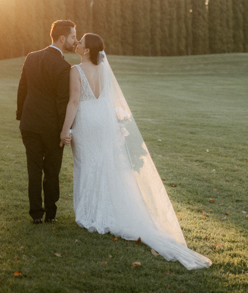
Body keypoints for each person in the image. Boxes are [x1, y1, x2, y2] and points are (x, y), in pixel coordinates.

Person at [60, 33, 211, 270]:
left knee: (87, 164)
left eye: (80, 43)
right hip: (105, 121)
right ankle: (104, 208)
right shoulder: (105, 70)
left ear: (87, 51)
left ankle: (89, 213)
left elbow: (74, 102)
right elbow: (109, 100)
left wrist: (65, 130)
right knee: (105, 163)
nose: (77, 44)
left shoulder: (76, 70)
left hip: (87, 122)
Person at [17, 19, 77, 224]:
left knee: (33, 170)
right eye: (72, 37)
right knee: (52, 171)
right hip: (52, 128)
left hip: (29, 124)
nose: (75, 42)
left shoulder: (31, 57)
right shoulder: (64, 66)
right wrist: (65, 130)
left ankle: (36, 214)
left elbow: (22, 90)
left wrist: (21, 118)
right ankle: (51, 213)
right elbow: (63, 102)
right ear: (62, 38)